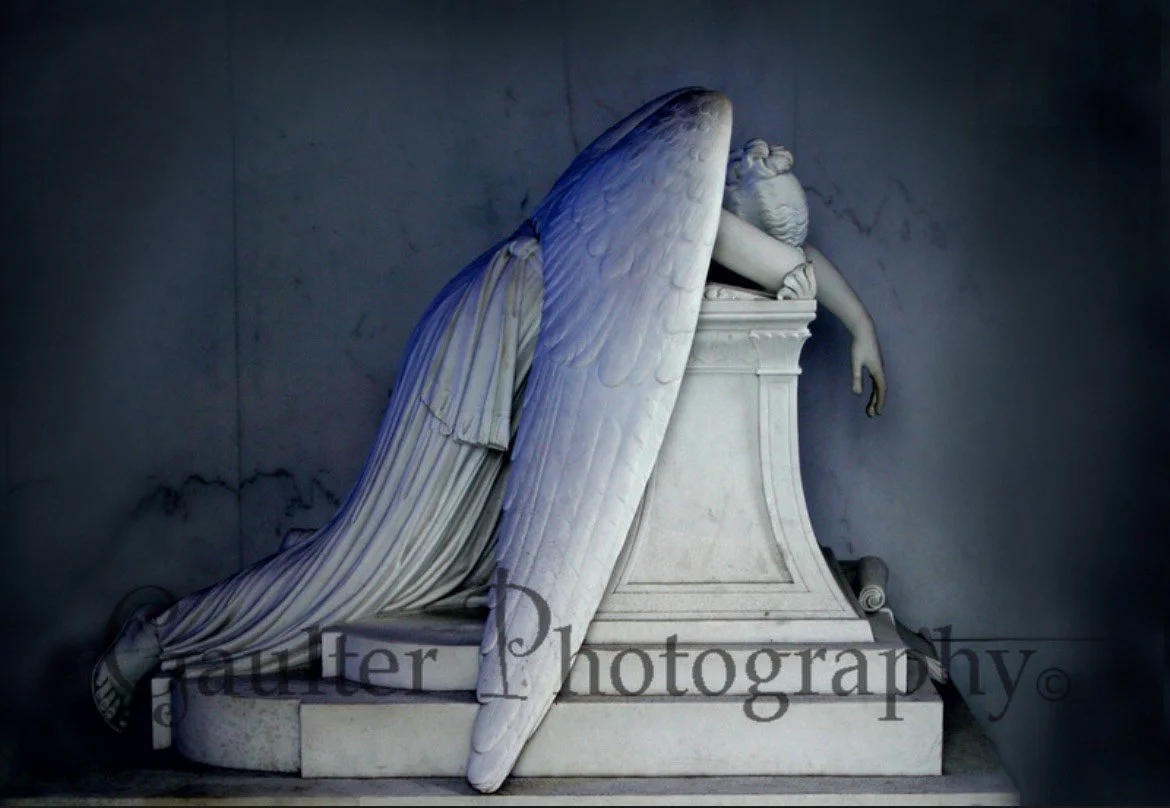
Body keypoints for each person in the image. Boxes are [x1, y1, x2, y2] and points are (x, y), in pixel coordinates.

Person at [92, 105, 885, 734]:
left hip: (493, 336)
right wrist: (862, 327)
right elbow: (793, 270)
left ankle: (191, 631)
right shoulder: (682, 202)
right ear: (730, 202)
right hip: (487, 344)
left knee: (417, 572)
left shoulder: (660, 165)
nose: (740, 263)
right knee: (364, 569)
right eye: (758, 227)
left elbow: (780, 261)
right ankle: (157, 640)